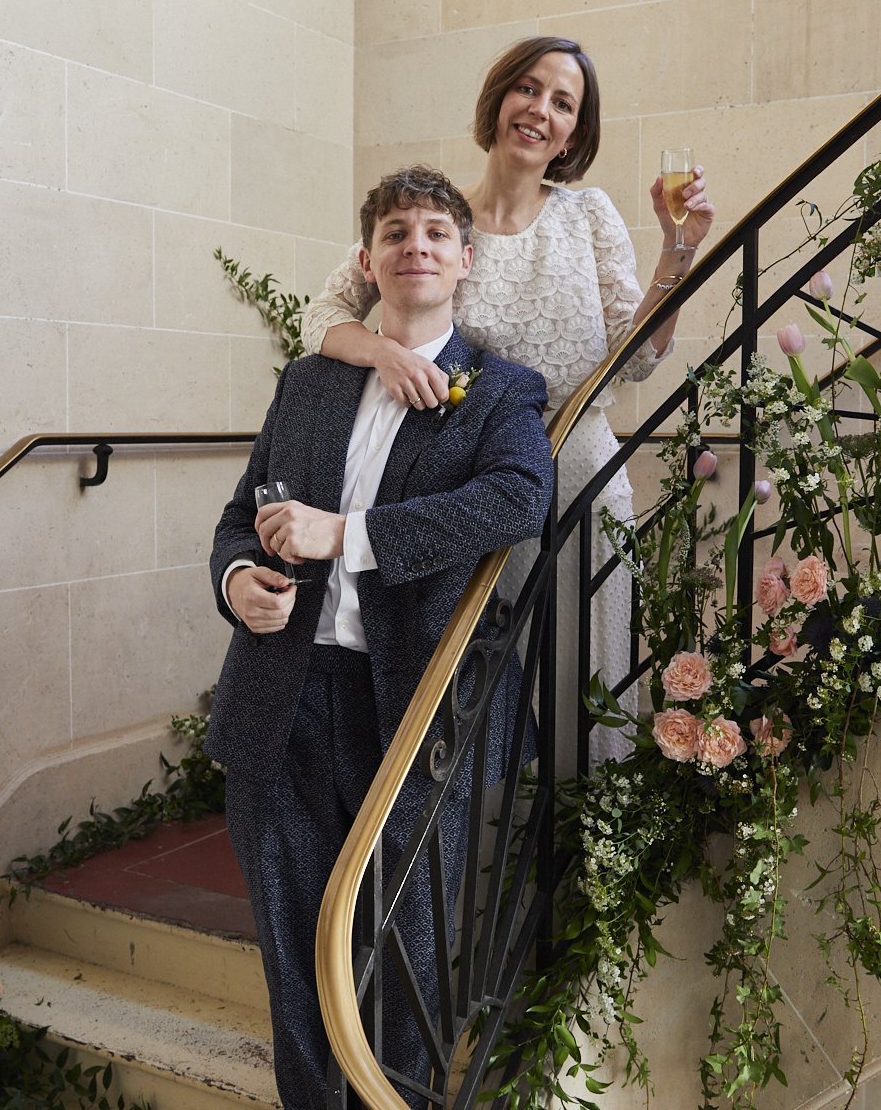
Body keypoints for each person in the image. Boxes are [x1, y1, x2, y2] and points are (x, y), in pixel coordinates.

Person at [207, 165, 555, 1109]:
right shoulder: (310, 383)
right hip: (278, 694)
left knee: (398, 950)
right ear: (366, 261)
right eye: (396, 233)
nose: (417, 247)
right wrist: (241, 581)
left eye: (436, 233)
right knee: (292, 949)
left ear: (465, 261)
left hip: (412, 708)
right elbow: (243, 514)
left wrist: (345, 536)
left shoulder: (500, 391)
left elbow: (522, 498)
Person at [300, 36, 717, 765]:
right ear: (499, 99)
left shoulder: (588, 216)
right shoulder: (438, 221)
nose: (541, 110)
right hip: (468, 479)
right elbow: (322, 315)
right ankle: (484, 848)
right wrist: (385, 353)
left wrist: (678, 249)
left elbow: (641, 357)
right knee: (483, 676)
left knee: (585, 667)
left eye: (564, 103)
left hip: (579, 467)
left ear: (573, 134)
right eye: (530, 89)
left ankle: (586, 844)